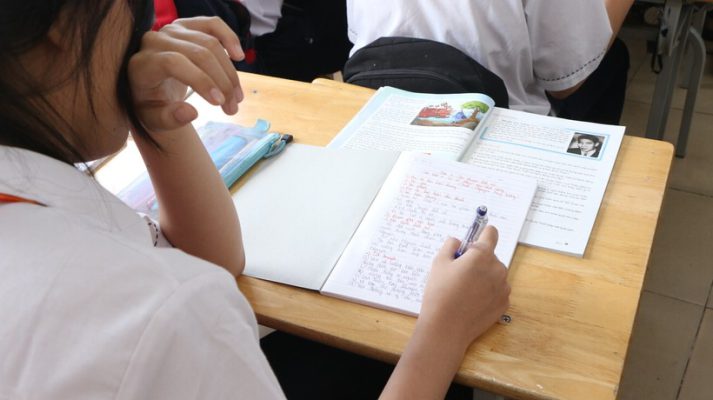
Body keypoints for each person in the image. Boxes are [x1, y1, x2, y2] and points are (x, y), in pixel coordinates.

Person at [0, 1, 510, 398]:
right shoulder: (164, 311)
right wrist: (444, 330)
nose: (144, 28)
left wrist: (158, 117)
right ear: (62, 25)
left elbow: (213, 261)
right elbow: (191, 287)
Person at [346, 0, 634, 124]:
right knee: (614, 60)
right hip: (495, 129)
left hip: (379, 112)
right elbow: (566, 82)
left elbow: (359, 36)